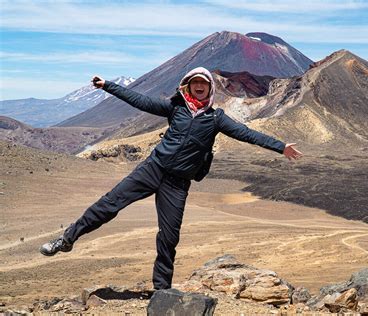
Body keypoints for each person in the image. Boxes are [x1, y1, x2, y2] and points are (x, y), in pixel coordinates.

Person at [39, 67, 303, 290]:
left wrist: (281, 147)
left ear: (210, 89)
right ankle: (66, 240)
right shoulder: (175, 108)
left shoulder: (215, 118)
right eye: (195, 83)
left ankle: (161, 289)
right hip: (152, 168)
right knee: (108, 204)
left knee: (169, 235)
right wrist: (108, 86)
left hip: (177, 183)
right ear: (187, 87)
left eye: (204, 83)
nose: (199, 86)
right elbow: (139, 100)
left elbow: (247, 134)